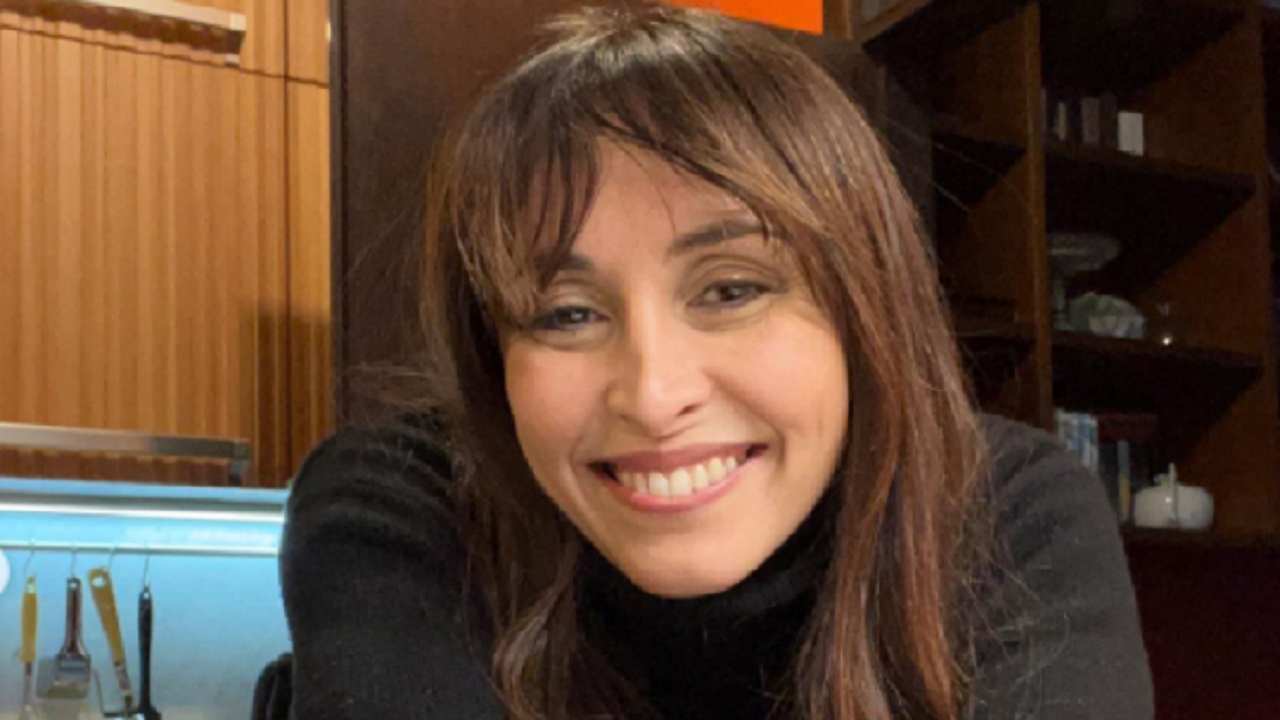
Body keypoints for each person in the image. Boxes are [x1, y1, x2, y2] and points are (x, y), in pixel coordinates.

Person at [280, 5, 1153, 719]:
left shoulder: (1005, 511)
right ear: (492, 354)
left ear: (864, 309)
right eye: (566, 314)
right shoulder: (404, 506)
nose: (654, 395)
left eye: (731, 290)